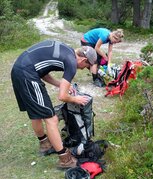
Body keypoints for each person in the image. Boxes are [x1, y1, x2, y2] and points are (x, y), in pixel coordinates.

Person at [11, 40, 97, 169]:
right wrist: (76, 99)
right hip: (27, 75)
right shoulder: (71, 63)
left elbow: (43, 71)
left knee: (36, 114)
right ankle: (65, 159)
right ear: (83, 59)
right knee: (51, 119)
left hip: (19, 70)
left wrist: (59, 84)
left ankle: (45, 144)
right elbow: (62, 97)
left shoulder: (67, 51)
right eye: (87, 65)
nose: (84, 68)